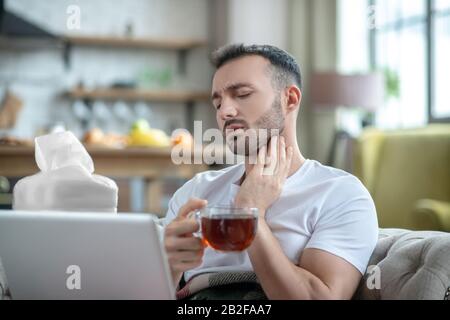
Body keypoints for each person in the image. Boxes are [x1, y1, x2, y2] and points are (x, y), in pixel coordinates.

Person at [162, 44, 378, 300]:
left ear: (290, 99)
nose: (225, 112)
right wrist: (169, 268)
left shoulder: (340, 194)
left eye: (241, 94)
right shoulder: (195, 191)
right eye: (218, 102)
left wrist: (249, 213)